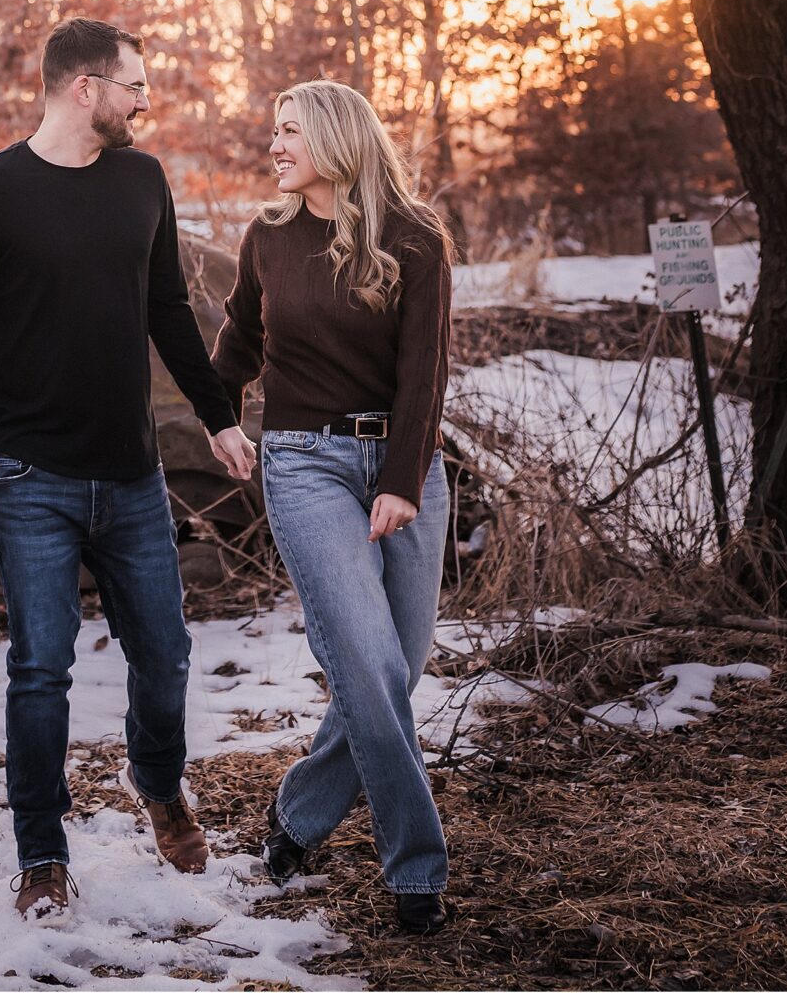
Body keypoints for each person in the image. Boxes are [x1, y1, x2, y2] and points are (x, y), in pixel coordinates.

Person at [0, 16, 257, 918]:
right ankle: (41, 851)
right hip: (32, 476)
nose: (146, 100)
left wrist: (219, 417)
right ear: (84, 88)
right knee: (41, 668)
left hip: (133, 475)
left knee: (168, 654)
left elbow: (169, 310)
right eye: (134, 85)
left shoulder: (143, 180)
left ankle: (158, 785)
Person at [213, 79, 454, 937]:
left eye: (287, 132)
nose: (273, 145)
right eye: (272, 131)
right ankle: (417, 869)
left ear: (333, 139)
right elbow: (238, 343)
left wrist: (401, 480)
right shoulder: (268, 237)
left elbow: (425, 373)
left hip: (404, 464)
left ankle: (301, 815)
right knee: (366, 662)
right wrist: (214, 416)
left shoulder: (415, 237)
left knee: (399, 664)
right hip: (304, 463)